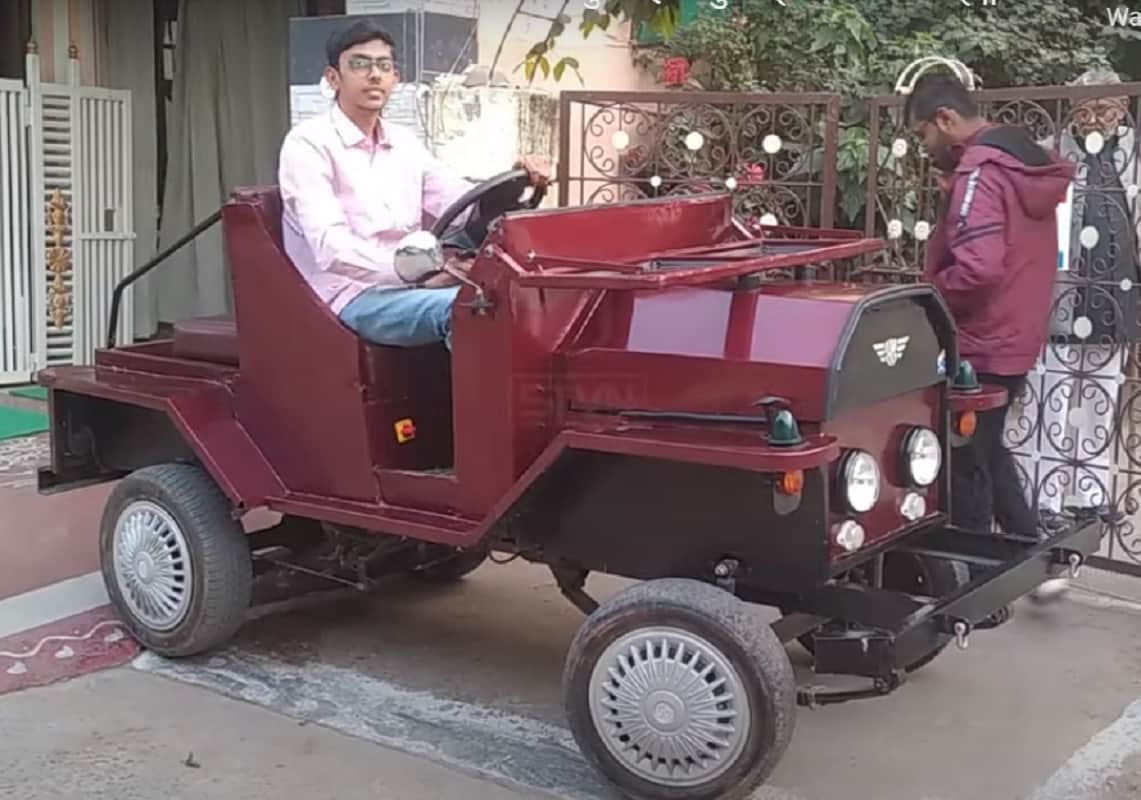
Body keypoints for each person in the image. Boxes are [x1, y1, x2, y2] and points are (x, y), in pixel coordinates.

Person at [277, 20, 550, 350]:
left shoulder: (403, 142)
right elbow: (331, 248)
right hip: (352, 294)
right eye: (360, 64)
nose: (374, 75)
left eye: (384, 66)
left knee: (525, 295)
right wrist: (417, 272)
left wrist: (514, 183)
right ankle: (479, 387)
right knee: (473, 309)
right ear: (334, 77)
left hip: (412, 281)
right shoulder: (308, 144)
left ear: (395, 78)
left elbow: (457, 204)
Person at [906, 73, 1076, 539]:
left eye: (923, 133)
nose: (924, 147)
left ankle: (976, 568)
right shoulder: (1017, 162)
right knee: (986, 445)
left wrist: (932, 295)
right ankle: (1028, 545)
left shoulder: (980, 173)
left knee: (963, 459)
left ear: (945, 119)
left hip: (982, 341)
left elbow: (978, 269)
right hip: (1015, 334)